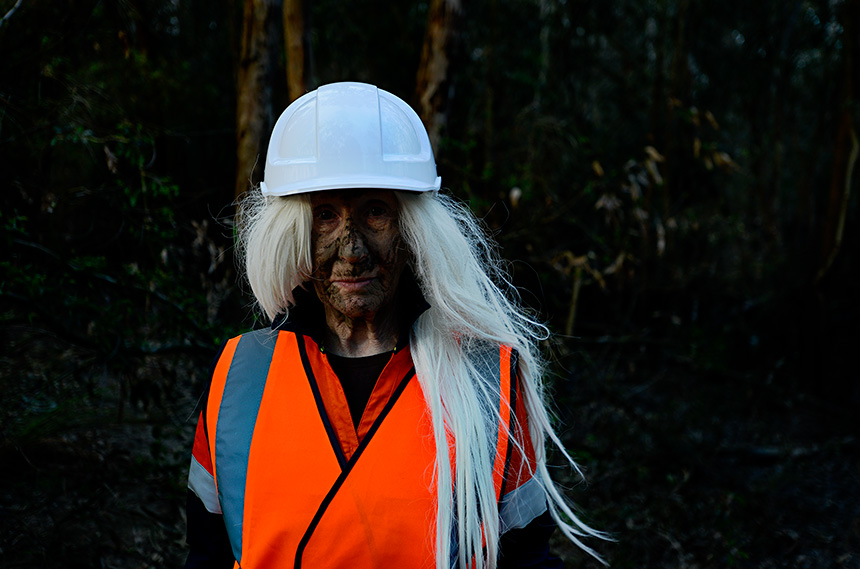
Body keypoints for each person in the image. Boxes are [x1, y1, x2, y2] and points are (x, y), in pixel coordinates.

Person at [184, 82, 604, 569]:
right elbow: (206, 553)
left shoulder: (489, 378)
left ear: (411, 227)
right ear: (295, 230)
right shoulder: (240, 375)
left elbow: (527, 558)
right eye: (325, 216)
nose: (352, 249)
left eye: (375, 212)